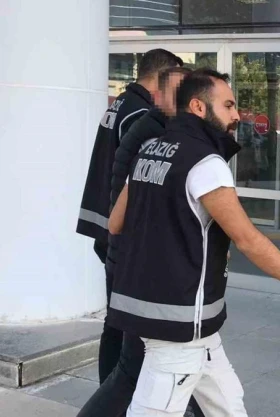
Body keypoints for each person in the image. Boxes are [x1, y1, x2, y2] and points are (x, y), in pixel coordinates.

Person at [106, 69, 280, 416]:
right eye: (228, 105)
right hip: (180, 326)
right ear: (198, 107)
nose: (237, 115)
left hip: (181, 322)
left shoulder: (149, 150)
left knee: (228, 403)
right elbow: (248, 240)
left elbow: (116, 222)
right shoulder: (205, 162)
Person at [76, 67, 204, 417]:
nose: (191, 102)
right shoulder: (154, 134)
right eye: (182, 93)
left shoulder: (147, 123)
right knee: (131, 364)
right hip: (139, 263)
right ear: (159, 95)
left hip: (130, 257)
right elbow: (127, 212)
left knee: (133, 356)